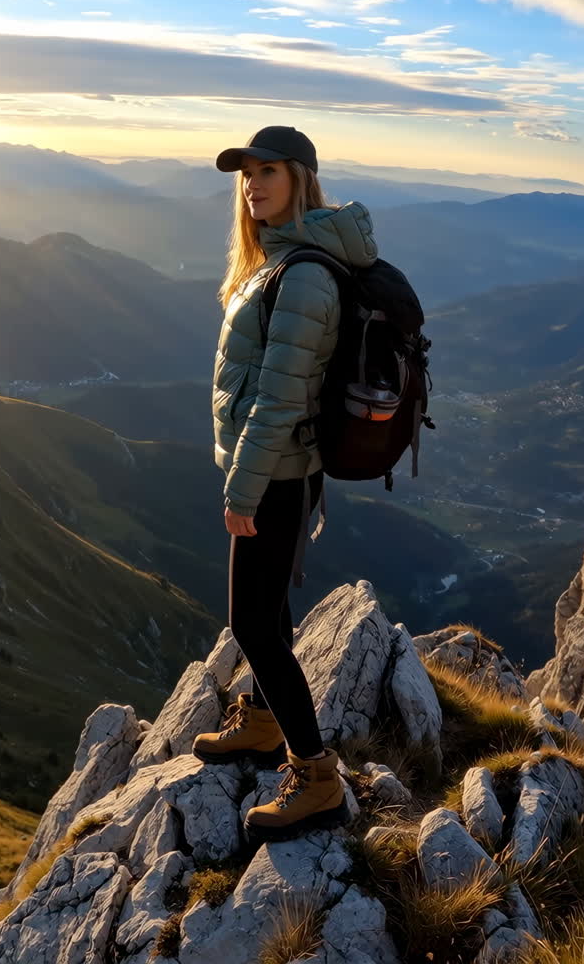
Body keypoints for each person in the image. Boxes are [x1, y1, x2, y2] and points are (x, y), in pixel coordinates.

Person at [192, 125, 378, 843]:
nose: (253, 184)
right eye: (245, 174)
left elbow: (279, 398)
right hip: (281, 469)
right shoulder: (281, 259)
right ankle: (267, 722)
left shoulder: (302, 274)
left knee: (251, 625)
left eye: (267, 171)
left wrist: (242, 489)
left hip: (275, 473)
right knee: (267, 615)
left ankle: (317, 777)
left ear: (301, 176)